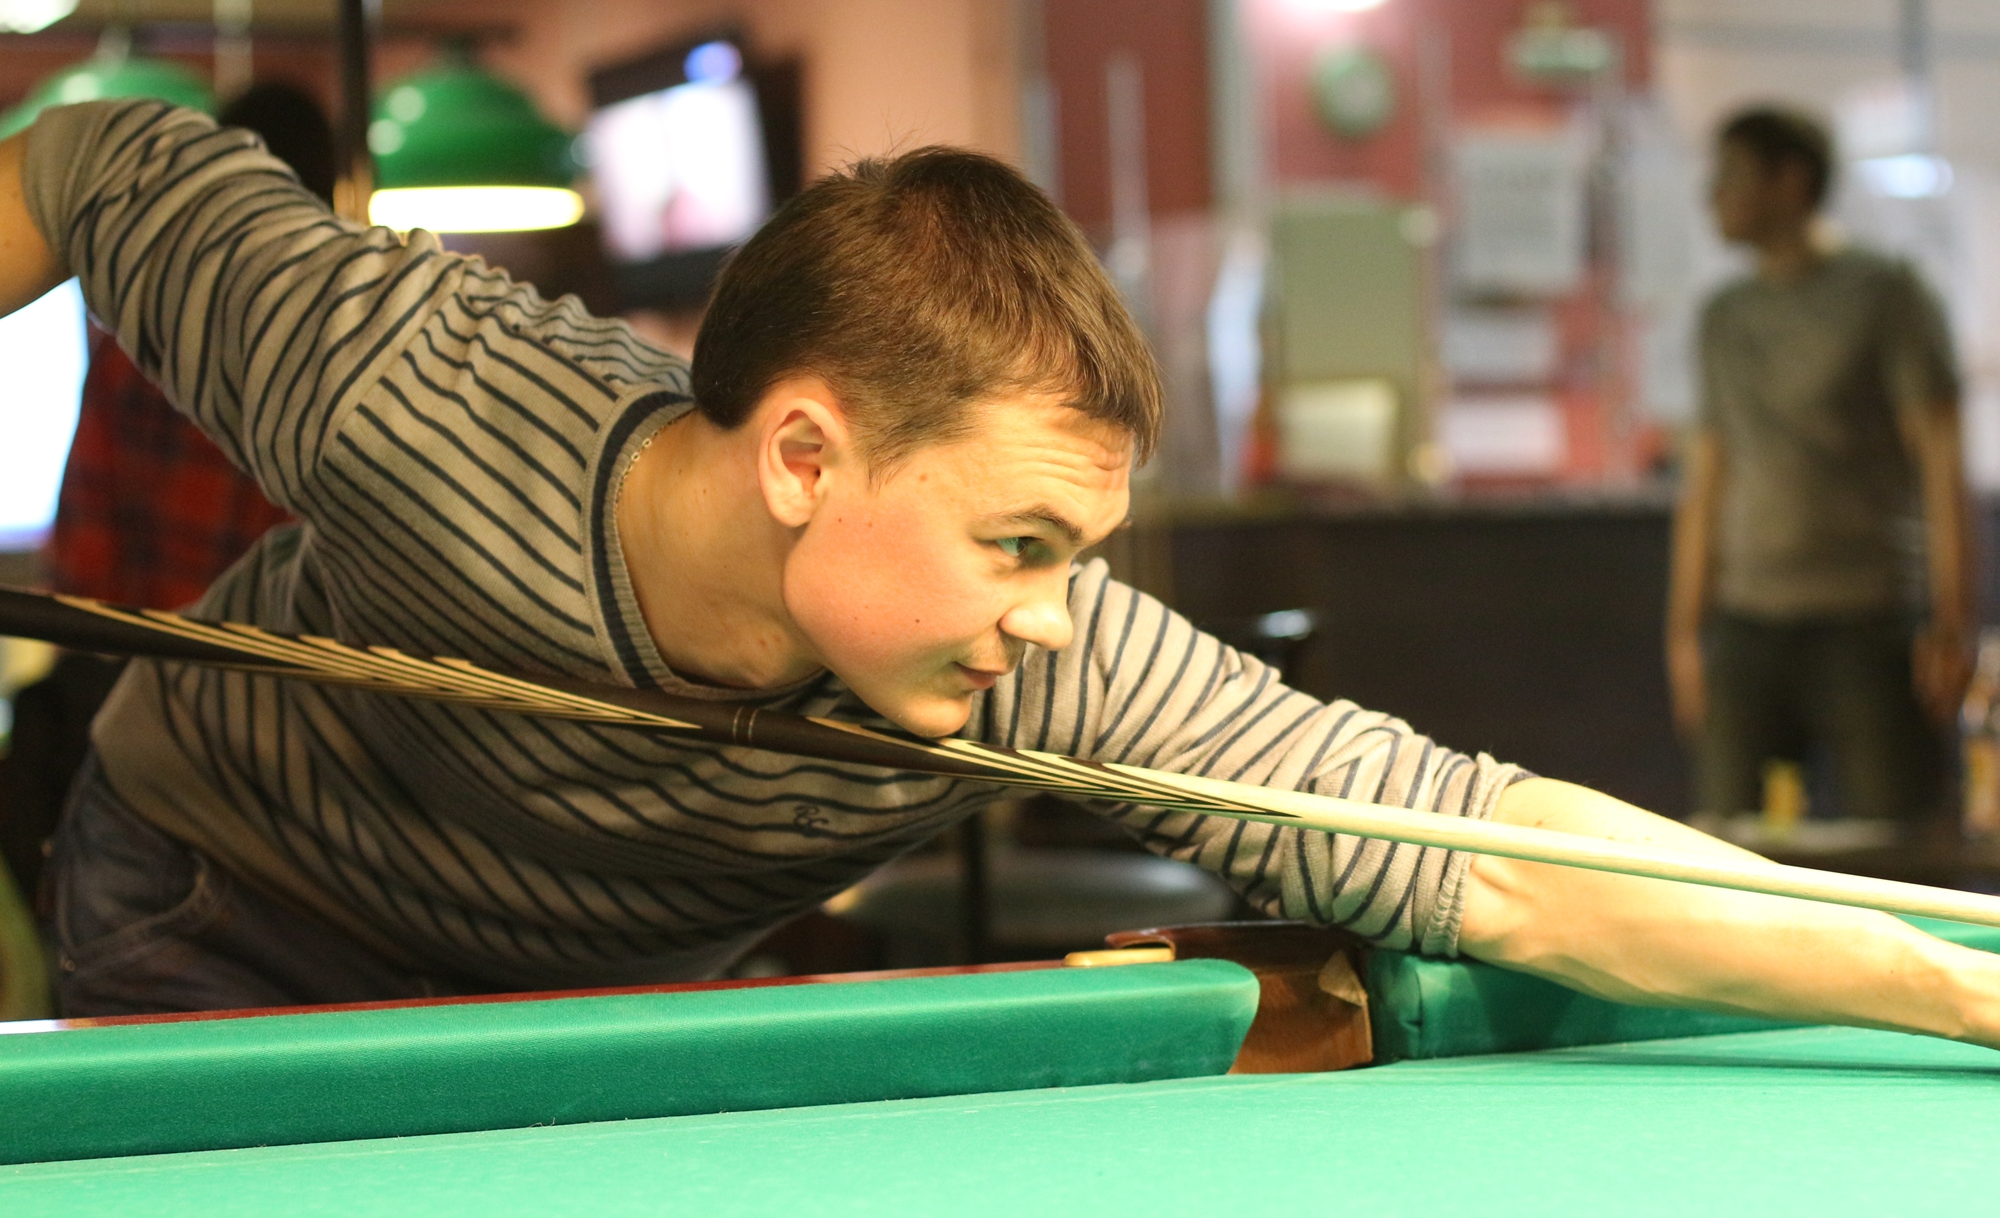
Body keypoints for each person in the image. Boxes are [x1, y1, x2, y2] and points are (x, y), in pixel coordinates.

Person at [2, 99, 1998, 1048]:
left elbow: (1488, 845)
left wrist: (1949, 982)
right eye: (1020, 543)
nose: (1054, 611)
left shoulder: (1033, 660)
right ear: (804, 456)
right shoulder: (414, 392)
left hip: (587, 982)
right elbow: (107, 165)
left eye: (1078, 553)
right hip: (225, 900)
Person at [0, 84, 330, 913]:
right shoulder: (338, 360)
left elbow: (84, 551)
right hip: (290, 740)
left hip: (136, 720)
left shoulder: (138, 344)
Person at [1667, 106, 1973, 833]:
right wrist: (1684, 632)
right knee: (1726, 849)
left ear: (1791, 180)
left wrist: (1952, 618)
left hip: (1870, 621)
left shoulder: (1884, 293)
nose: (1714, 194)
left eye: (1733, 174)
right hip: (1747, 623)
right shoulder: (1725, 315)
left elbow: (1941, 462)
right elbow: (1707, 479)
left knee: (1897, 847)